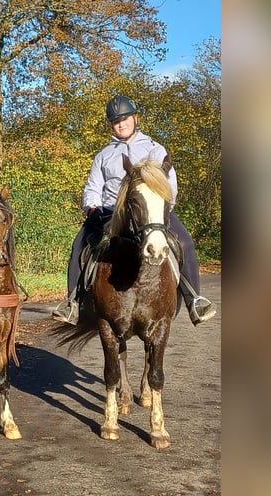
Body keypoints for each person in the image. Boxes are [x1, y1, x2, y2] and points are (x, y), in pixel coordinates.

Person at [52, 95, 216, 326]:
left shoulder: (155, 149)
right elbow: (93, 186)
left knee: (185, 243)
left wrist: (163, 208)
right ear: (111, 125)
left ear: (135, 118)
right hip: (110, 212)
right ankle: (72, 303)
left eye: (125, 119)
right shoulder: (103, 156)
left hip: (151, 212)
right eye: (116, 121)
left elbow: (170, 184)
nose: (121, 124)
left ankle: (194, 300)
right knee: (79, 244)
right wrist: (91, 207)